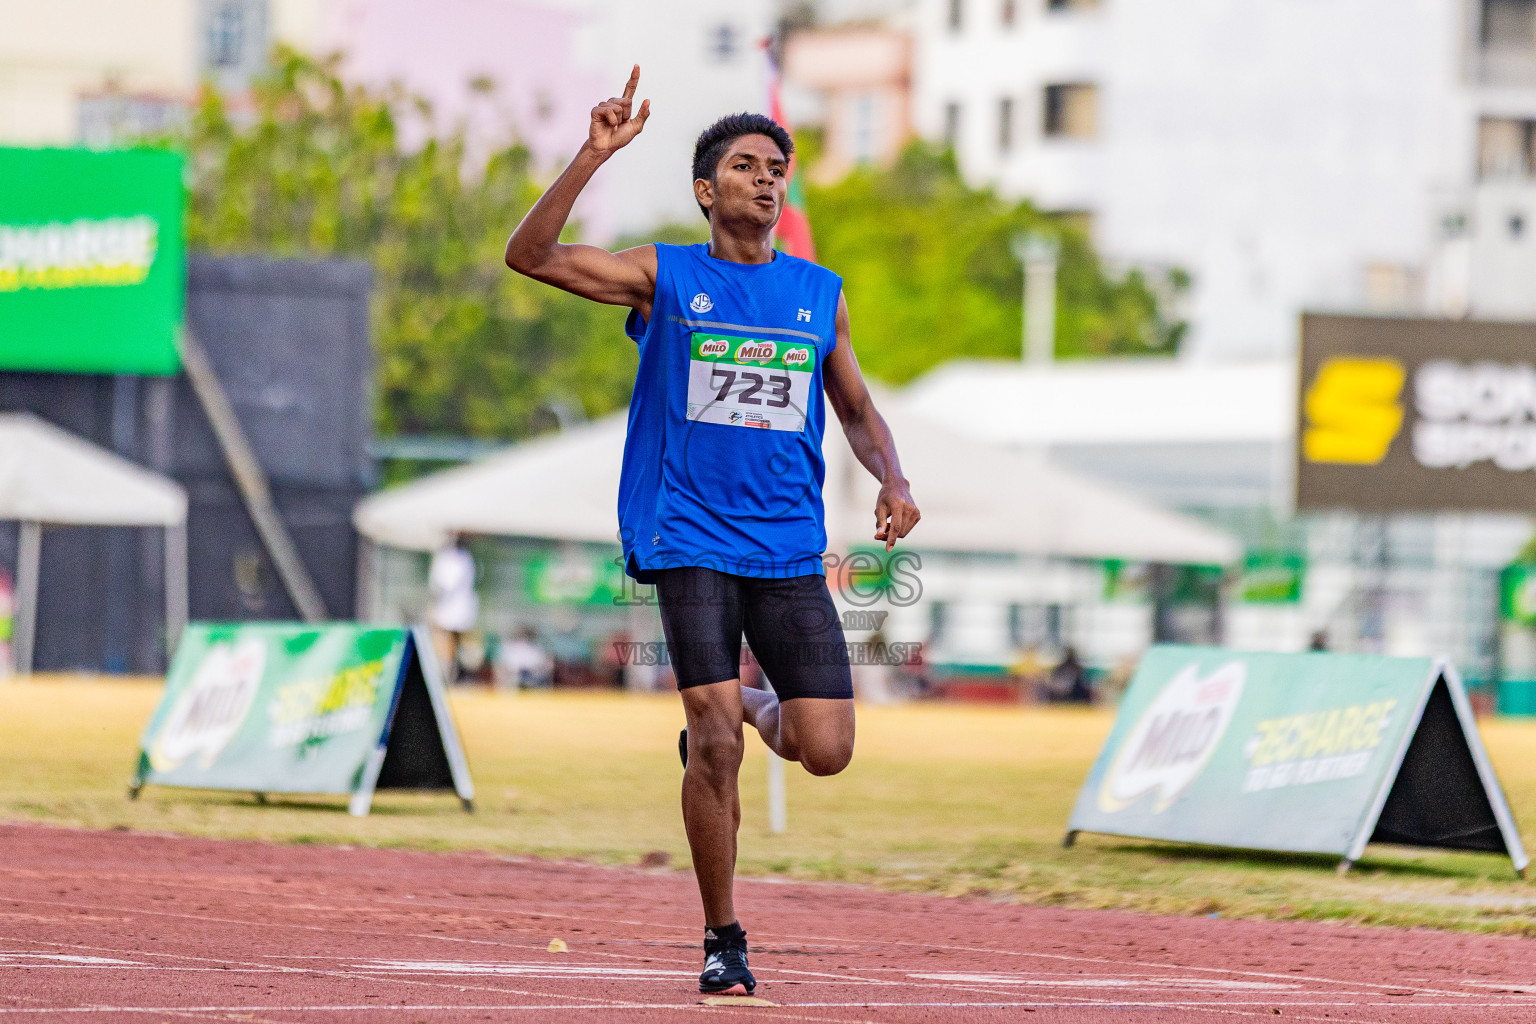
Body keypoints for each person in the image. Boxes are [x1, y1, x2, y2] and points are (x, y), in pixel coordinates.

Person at [505, 67, 920, 998]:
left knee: (826, 747)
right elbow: (530, 256)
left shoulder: (819, 296)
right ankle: (722, 936)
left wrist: (892, 478)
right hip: (686, 535)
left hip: (785, 547)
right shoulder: (664, 275)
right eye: (745, 165)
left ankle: (738, 715)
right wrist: (592, 155)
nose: (767, 180)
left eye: (778, 166)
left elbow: (856, 409)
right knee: (715, 733)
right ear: (707, 189)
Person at [427, 534, 478, 683]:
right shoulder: (458, 558)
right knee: (448, 642)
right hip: (451, 609)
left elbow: (442, 585)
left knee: (450, 642)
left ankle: (453, 673)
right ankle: (451, 673)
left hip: (452, 609)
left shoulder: (454, 559)